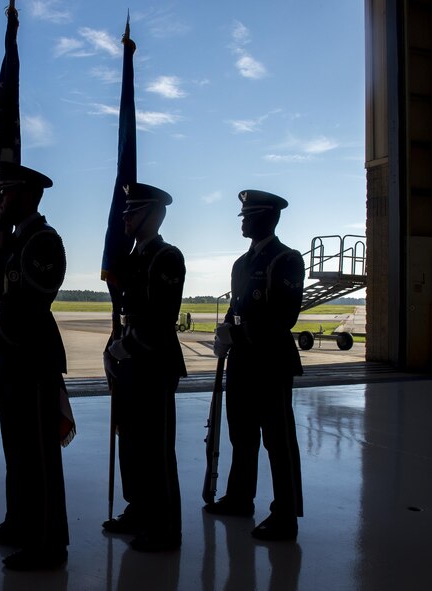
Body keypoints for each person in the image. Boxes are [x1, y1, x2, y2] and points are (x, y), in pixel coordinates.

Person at [0, 161, 70, 571]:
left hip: (33, 360)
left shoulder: (43, 241)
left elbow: (31, 307)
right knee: (17, 451)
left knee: (39, 455)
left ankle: (47, 542)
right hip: (12, 361)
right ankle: (19, 523)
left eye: (4, 193)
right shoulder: (14, 242)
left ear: (28, 195)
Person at [206, 189, 305, 542]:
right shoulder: (241, 264)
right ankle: (239, 497)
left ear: (268, 218)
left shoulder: (286, 260)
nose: (243, 221)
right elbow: (238, 308)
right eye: (244, 216)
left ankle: (285, 514)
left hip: (271, 362)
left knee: (278, 440)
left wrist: (240, 334)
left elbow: (284, 318)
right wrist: (226, 333)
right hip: (243, 363)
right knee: (242, 434)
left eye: (249, 216)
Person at [103, 183, 186, 552]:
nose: (126, 218)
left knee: (156, 448)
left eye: (133, 213)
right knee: (132, 443)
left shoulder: (166, 257)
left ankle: (166, 527)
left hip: (154, 361)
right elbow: (127, 312)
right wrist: (116, 347)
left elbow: (160, 317)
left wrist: (129, 345)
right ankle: (138, 509)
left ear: (153, 215)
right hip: (130, 360)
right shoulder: (134, 259)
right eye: (125, 212)